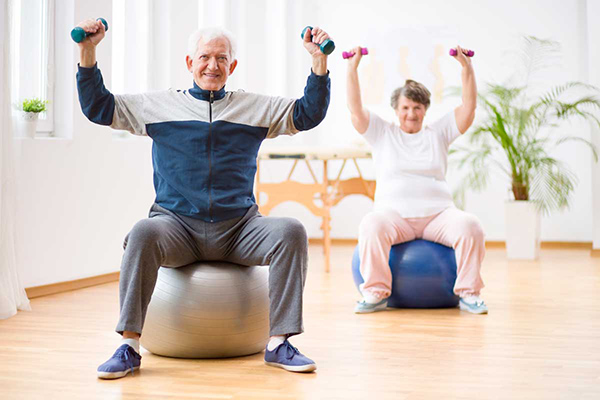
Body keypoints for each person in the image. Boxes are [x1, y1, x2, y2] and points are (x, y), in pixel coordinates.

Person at [75, 19, 332, 378]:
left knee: (291, 230)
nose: (212, 65)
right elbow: (98, 108)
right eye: (205, 57)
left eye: (221, 59)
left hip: (239, 228)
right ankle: (129, 346)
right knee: (142, 232)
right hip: (176, 226)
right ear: (189, 63)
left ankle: (279, 343)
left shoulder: (254, 108)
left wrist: (318, 62)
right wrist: (88, 51)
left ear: (232, 66)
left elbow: (308, 113)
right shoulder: (159, 106)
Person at [345, 45, 487, 315]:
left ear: (425, 110)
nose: (411, 113)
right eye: (406, 107)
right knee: (370, 224)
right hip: (394, 216)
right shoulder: (382, 133)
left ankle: (469, 293)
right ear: (396, 109)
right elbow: (355, 108)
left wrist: (466, 68)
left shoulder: (439, 133)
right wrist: (352, 69)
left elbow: (469, 107)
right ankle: (375, 292)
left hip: (438, 216)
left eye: (418, 107)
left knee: (471, 227)